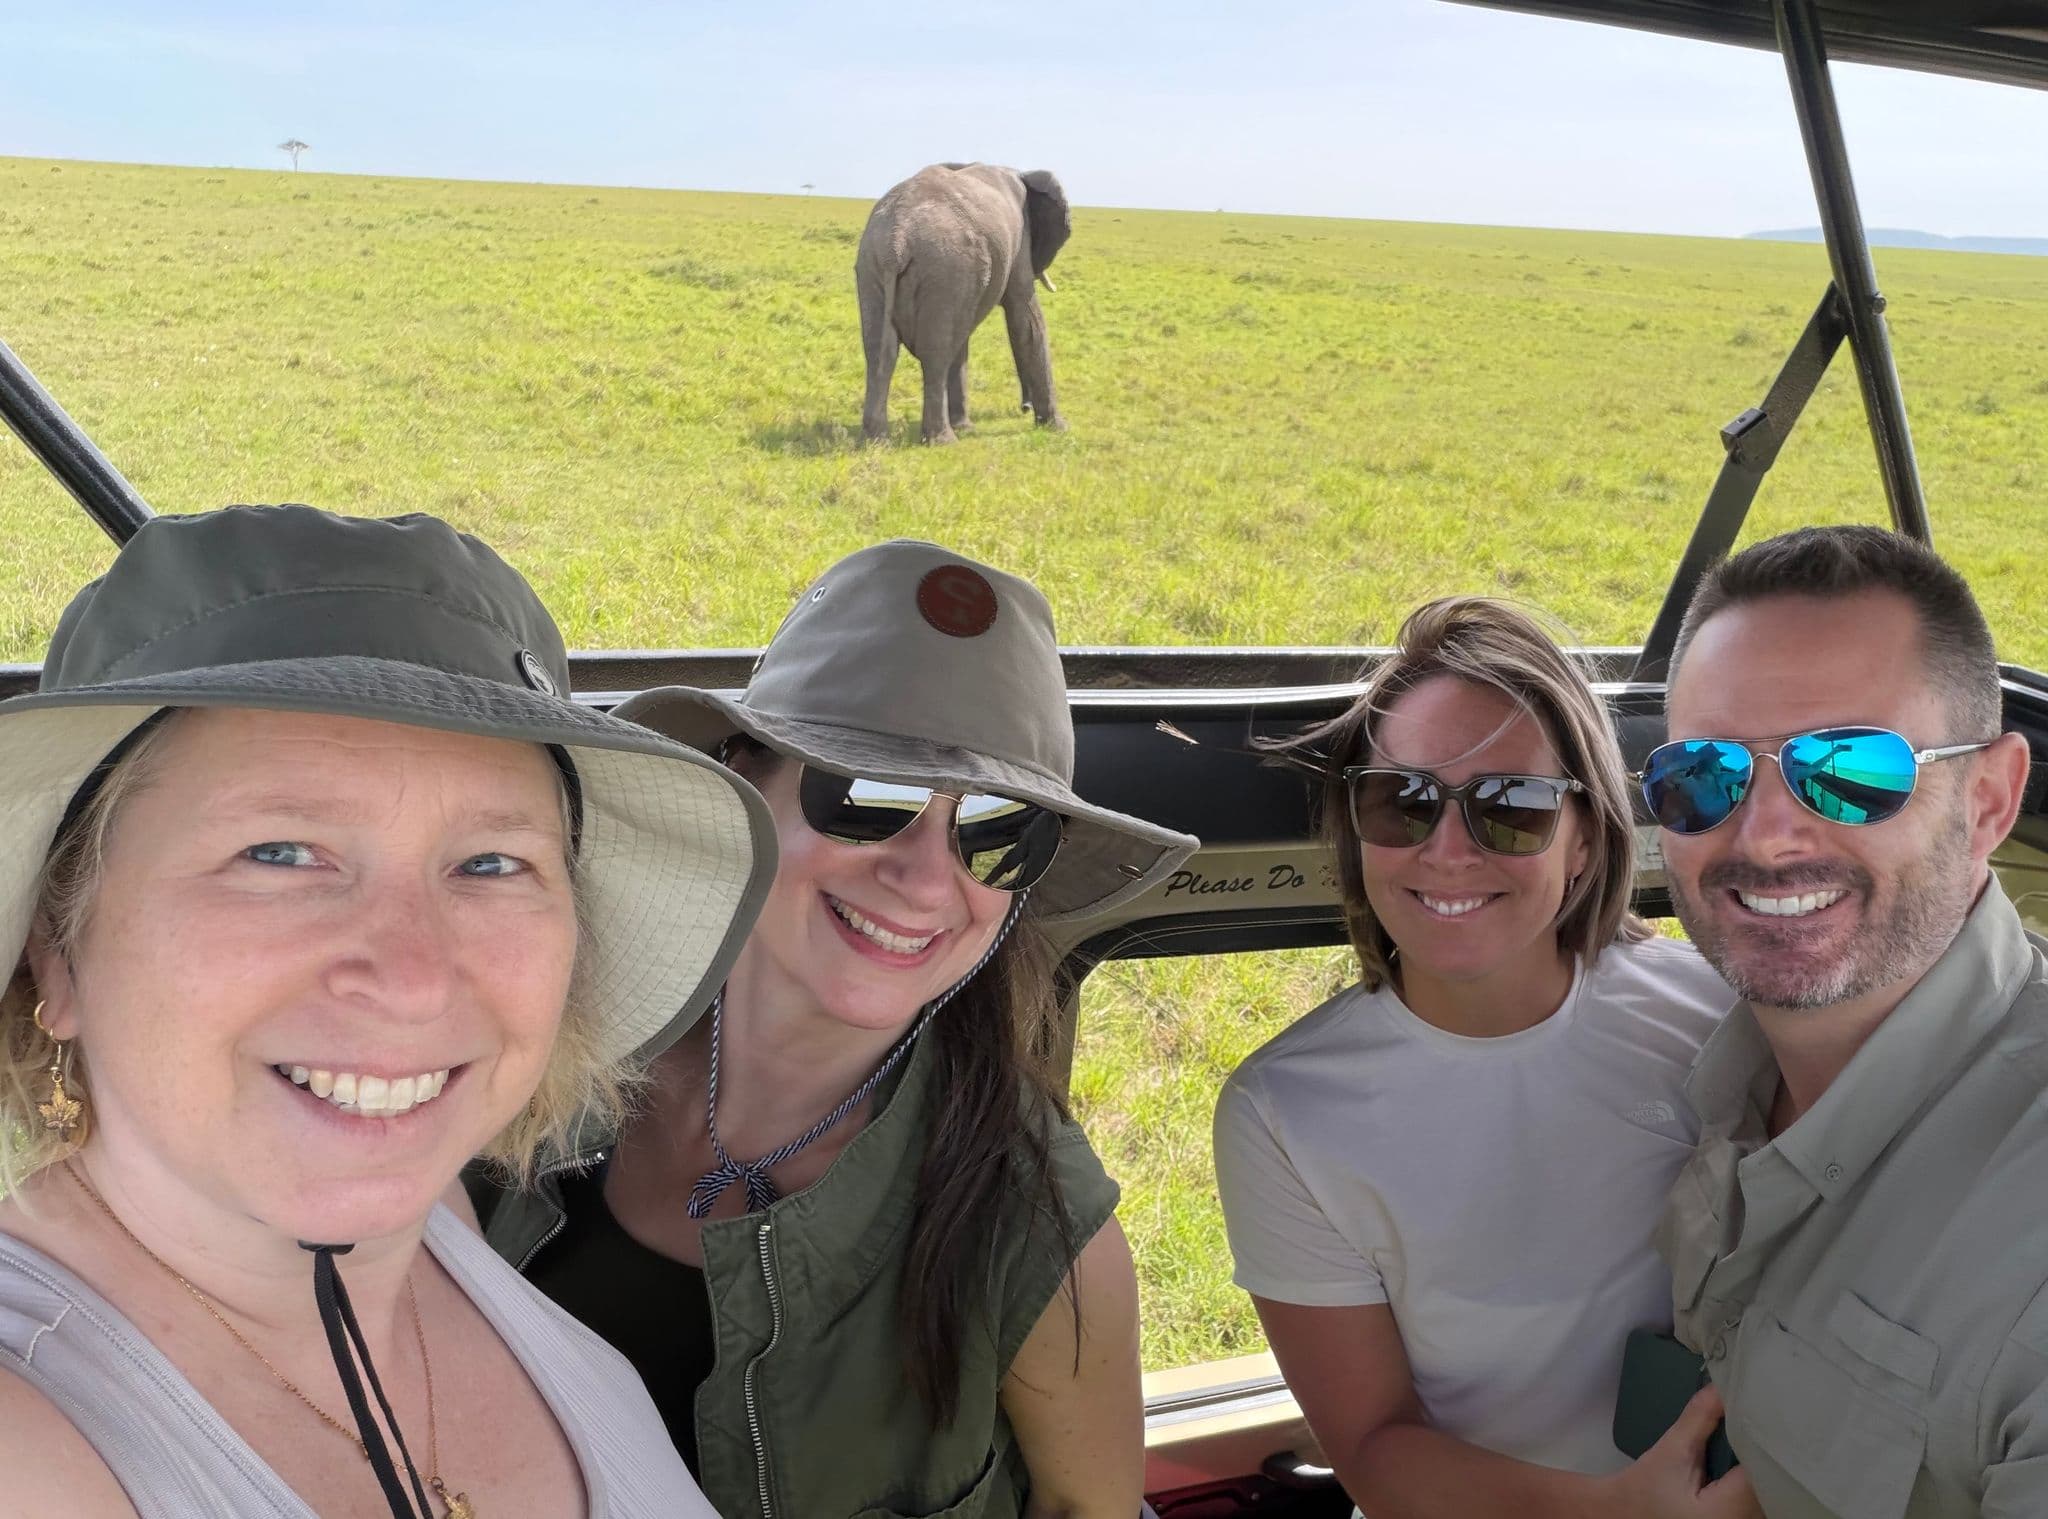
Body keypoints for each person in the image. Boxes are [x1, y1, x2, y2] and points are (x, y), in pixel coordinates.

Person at [0, 505, 775, 1518]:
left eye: (491, 862)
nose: (413, 979)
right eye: (278, 852)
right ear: (57, 948)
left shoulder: (433, 1221)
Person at [476, 540, 1198, 1519]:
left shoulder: (1034, 1226)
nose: (924, 877)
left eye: (995, 829)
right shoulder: (532, 1061)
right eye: (867, 797)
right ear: (744, 783)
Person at [1214, 595, 1759, 1518]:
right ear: (1356, 832)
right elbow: (1374, 1446)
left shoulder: (1715, 1013)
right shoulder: (1283, 1110)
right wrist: (1622, 1510)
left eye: (1511, 805)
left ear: (1584, 837)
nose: (1449, 849)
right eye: (1403, 801)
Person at [1645, 525, 2042, 1518]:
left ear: (1987, 799)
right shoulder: (1716, 1065)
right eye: (1706, 775)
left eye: (1851, 770)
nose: (1767, 834)